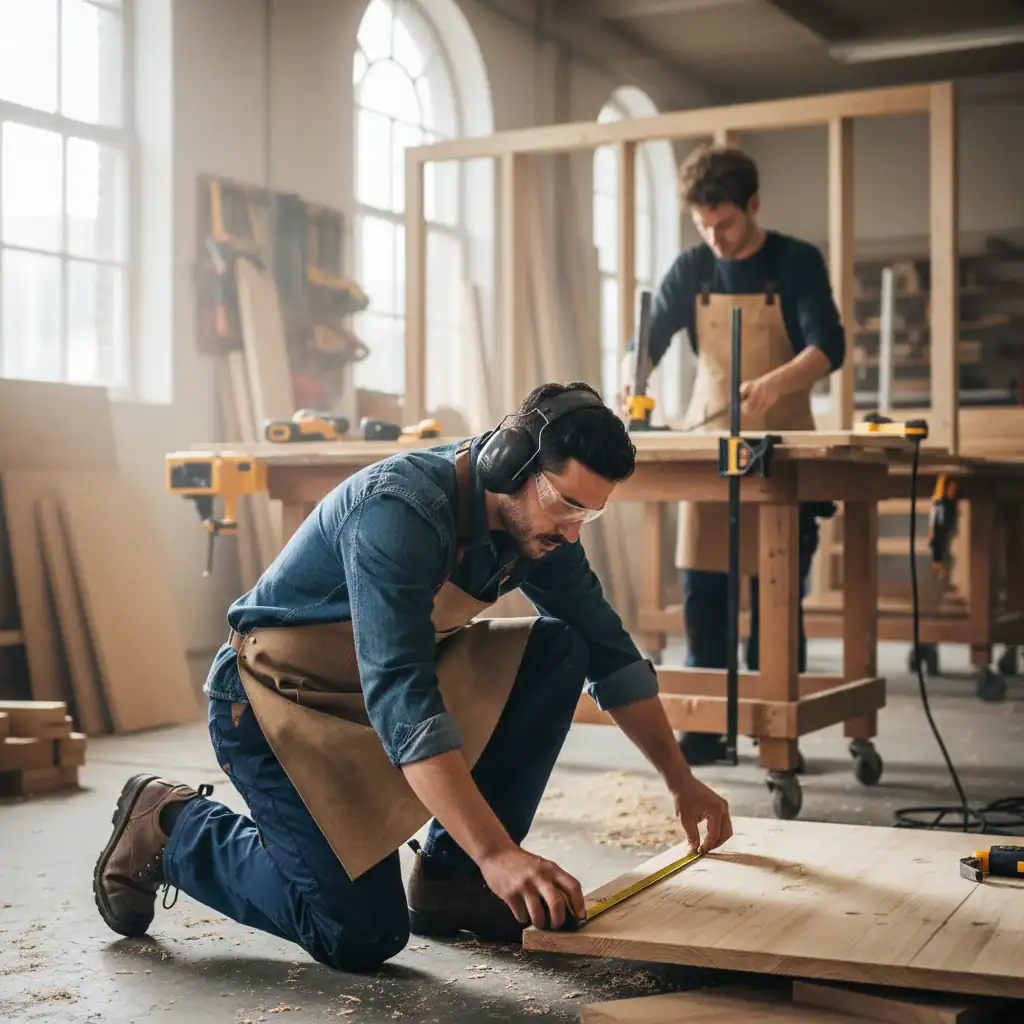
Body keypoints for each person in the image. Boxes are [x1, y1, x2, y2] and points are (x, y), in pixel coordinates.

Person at [93, 381, 733, 972]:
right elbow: (403, 697)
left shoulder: (536, 529)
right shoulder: (397, 510)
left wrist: (682, 783)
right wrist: (499, 853)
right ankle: (172, 827)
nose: (572, 530)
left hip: (371, 696)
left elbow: (609, 651)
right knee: (357, 935)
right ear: (510, 465)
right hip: (272, 703)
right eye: (566, 504)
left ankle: (451, 882)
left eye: (588, 516)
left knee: (563, 647)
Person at [623, 144, 844, 766]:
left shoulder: (796, 261)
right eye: (703, 227)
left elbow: (830, 345)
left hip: (782, 441)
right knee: (703, 589)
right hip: (711, 437)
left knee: (777, 592)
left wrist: (779, 380)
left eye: (726, 225)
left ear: (753, 206)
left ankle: (775, 724)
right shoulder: (691, 268)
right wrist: (628, 376)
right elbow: (648, 339)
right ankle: (706, 726)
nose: (715, 240)